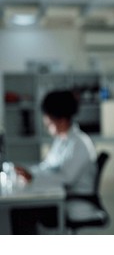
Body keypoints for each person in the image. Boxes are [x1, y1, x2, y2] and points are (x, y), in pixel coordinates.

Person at [13, 90, 98, 234]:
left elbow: (66, 179)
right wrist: (30, 172)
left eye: (47, 118)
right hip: (62, 196)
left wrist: (33, 178)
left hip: (74, 202)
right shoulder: (62, 140)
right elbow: (47, 167)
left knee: (21, 214)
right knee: (20, 212)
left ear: (61, 119)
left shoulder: (79, 143)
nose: (45, 122)